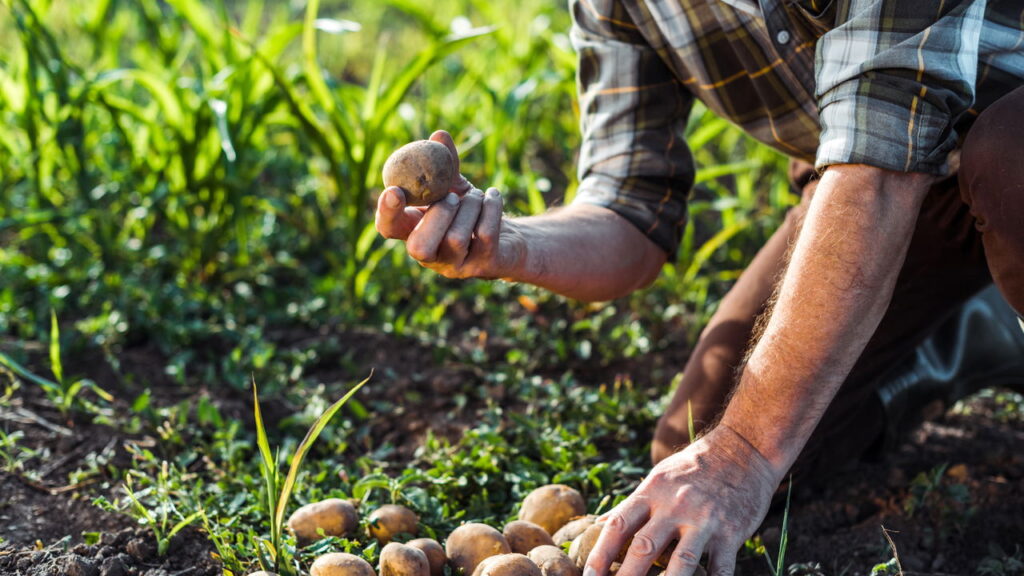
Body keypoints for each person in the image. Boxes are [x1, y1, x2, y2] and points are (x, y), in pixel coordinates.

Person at [376, 0, 1024, 573]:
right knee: (696, 442)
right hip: (893, 182)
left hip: (962, 149)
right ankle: (968, 332)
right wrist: (510, 243)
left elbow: (879, 168)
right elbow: (630, 208)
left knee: (1010, 162)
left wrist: (742, 457)